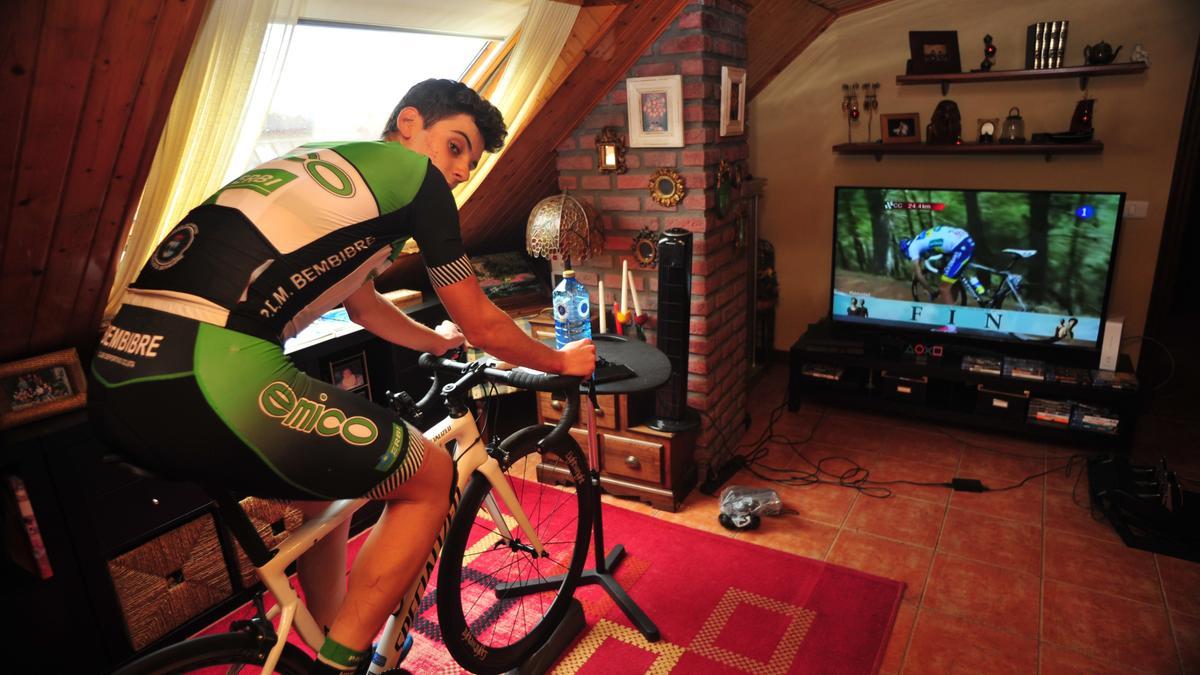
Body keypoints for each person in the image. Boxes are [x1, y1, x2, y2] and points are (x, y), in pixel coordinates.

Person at [89, 78, 596, 675]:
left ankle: (328, 629)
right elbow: (483, 321)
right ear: (409, 123)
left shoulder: (335, 174)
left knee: (321, 488)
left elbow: (361, 303)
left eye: (471, 162)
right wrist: (563, 361)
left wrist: (437, 342)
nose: (459, 172)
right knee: (430, 476)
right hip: (209, 371)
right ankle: (346, 663)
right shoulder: (417, 181)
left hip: (117, 373)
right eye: (455, 147)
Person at [899, 224, 979, 305]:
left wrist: (930, 290)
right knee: (949, 279)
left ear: (906, 251)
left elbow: (919, 275)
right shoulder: (919, 238)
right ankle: (952, 305)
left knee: (944, 288)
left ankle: (952, 316)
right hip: (963, 237)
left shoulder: (912, 248)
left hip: (961, 246)